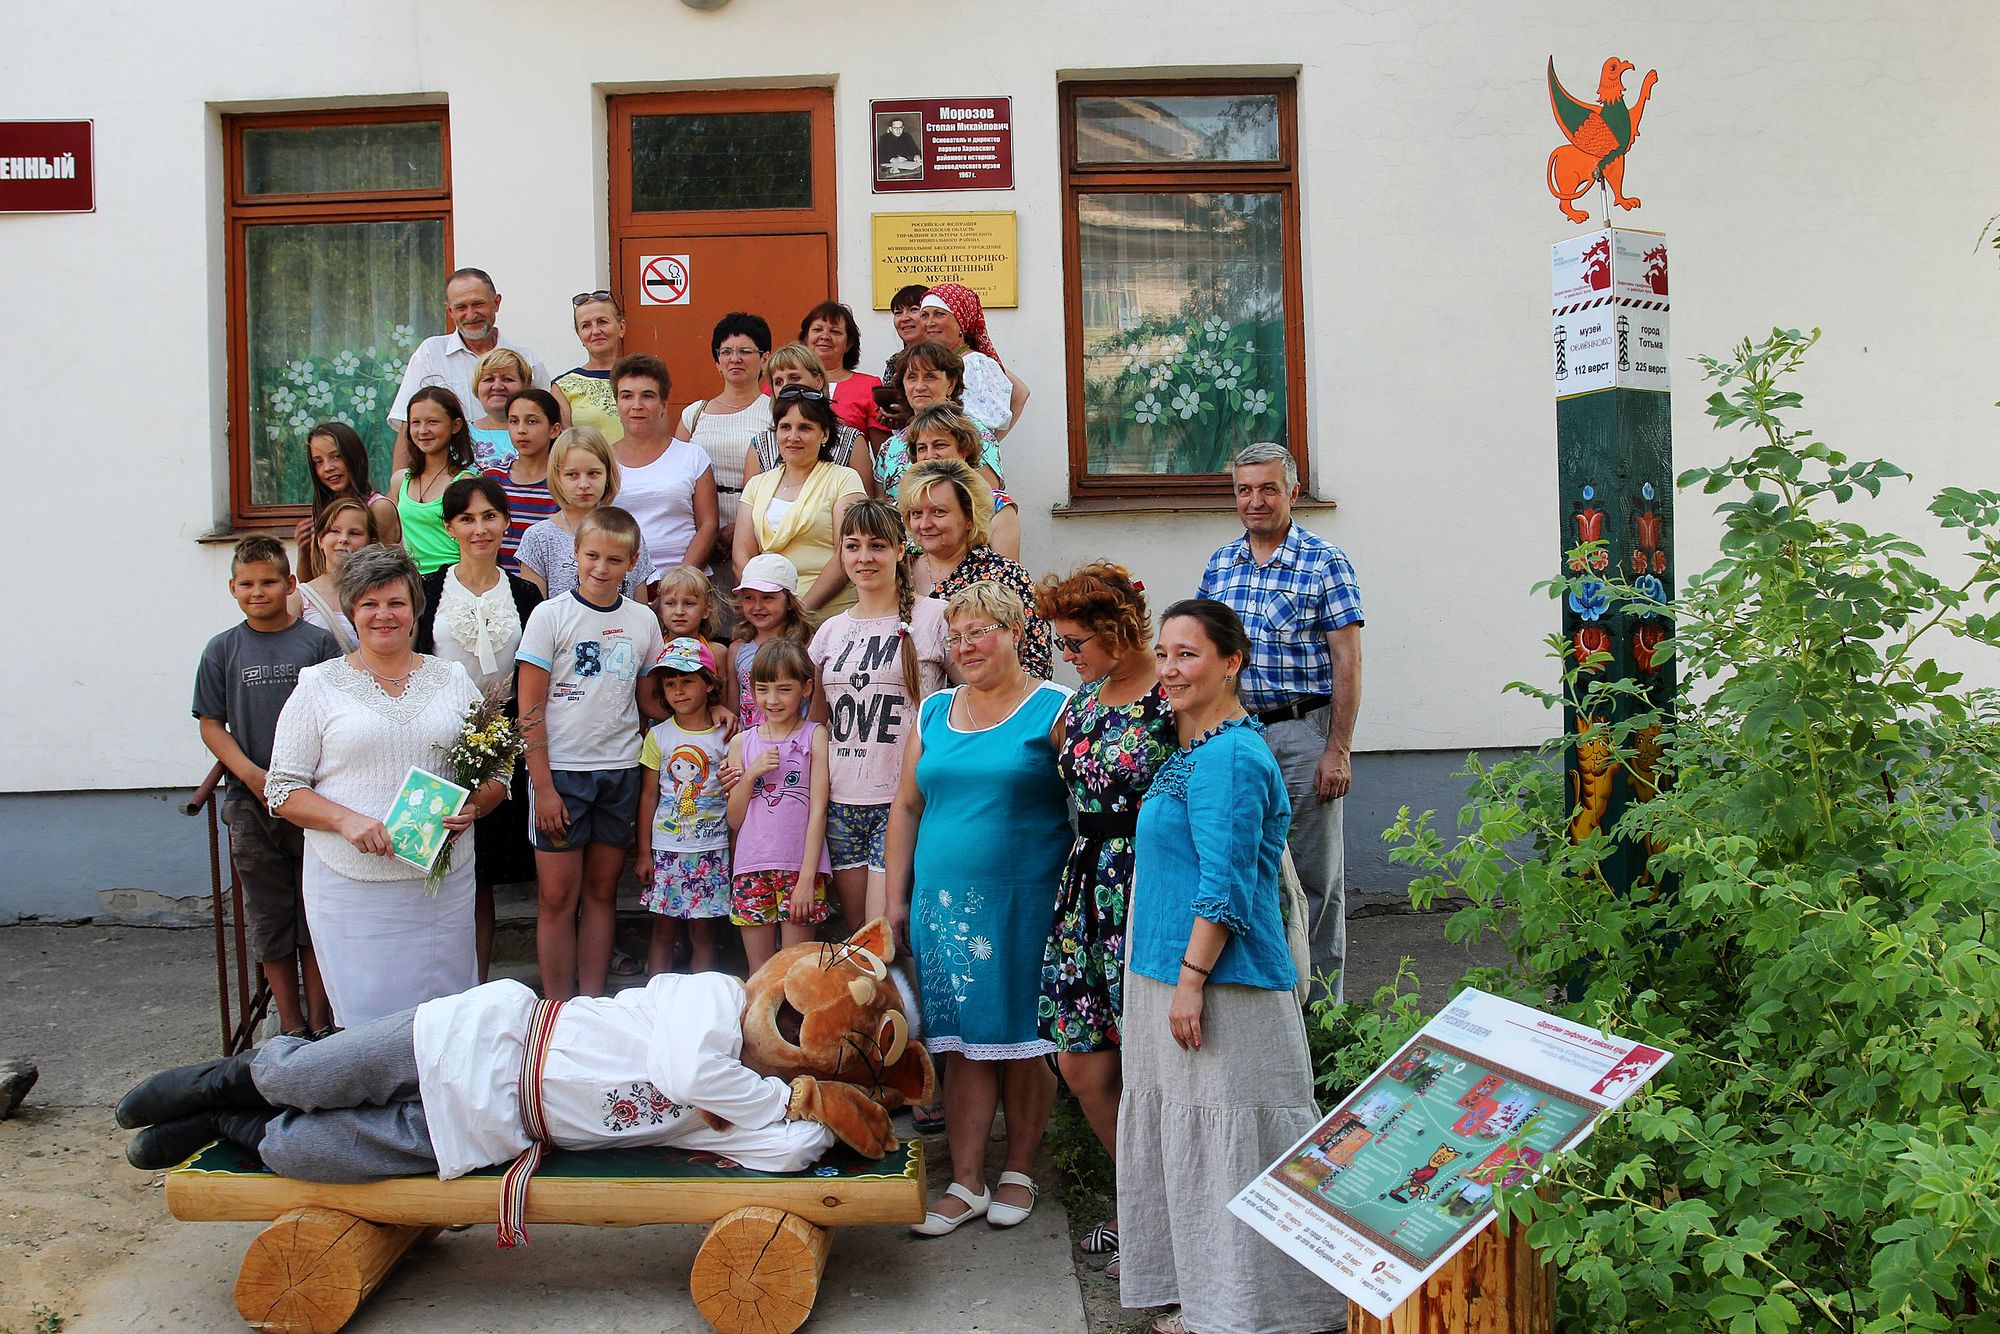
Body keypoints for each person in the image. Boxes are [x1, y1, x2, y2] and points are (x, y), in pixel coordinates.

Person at [1117, 599, 1344, 1334]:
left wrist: (1190, 982)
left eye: (1188, 654)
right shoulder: (1199, 748)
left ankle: (1258, 1309)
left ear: (1231, 663)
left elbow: (1226, 884)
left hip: (1223, 985)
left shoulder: (1236, 758)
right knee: (1194, 1145)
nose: (1169, 668)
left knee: (1234, 1146)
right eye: (1163, 653)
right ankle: (1212, 1299)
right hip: (1169, 974)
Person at [887, 581, 1070, 1237]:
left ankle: (1019, 1168)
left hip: (1025, 903)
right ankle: (965, 1181)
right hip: (941, 907)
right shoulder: (934, 710)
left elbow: (1093, 801)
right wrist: (894, 897)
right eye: (956, 637)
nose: (965, 647)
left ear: (1016, 632)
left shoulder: (1056, 708)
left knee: (1022, 1037)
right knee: (961, 1041)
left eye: (979, 633)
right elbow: (906, 806)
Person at [264, 545, 498, 1030]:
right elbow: (283, 788)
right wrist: (345, 820)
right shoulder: (318, 685)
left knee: (445, 1018)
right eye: (369, 604)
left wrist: (475, 806)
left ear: (415, 610)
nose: (383, 615)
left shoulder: (452, 678)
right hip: (352, 885)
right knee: (369, 1023)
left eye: (396, 602)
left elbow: (499, 771)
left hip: (442, 886)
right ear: (352, 611)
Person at [1033, 562, 1177, 1273]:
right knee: (1082, 1063)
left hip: (1149, 886)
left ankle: (1169, 1219)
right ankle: (1143, 1201)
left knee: (1156, 1063)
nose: (1066, 655)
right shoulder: (1085, 697)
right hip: (1087, 885)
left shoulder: (1173, 697)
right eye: (1059, 643)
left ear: (1119, 629)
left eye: (1075, 642)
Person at [1196, 441, 1365, 1003]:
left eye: (1268, 488)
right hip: (1237, 735)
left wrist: (1338, 749)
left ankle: (1322, 1014)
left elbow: (1347, 660)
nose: (1256, 501)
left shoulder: (1325, 562)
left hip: (1303, 732)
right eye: (1244, 490)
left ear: (1292, 491)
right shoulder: (1220, 565)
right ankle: (1267, 1003)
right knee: (1243, 866)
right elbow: (1202, 655)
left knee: (1316, 879)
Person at [516, 506, 667, 1001]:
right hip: (562, 774)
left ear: (632, 563)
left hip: (620, 771)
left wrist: (709, 714)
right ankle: (558, 1009)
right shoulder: (549, 615)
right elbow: (529, 708)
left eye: (614, 559)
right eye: (592, 556)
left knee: (602, 893)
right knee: (557, 898)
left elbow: (649, 701)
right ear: (576, 555)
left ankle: (593, 1004)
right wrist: (543, 787)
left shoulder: (643, 620)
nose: (601, 568)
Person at [195, 536, 342, 1039]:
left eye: (269, 582)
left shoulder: (317, 645)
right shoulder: (222, 650)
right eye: (247, 584)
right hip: (250, 803)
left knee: (314, 912)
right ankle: (291, 1024)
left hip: (314, 800)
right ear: (232, 589)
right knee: (269, 917)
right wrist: (252, 775)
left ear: (290, 584)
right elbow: (211, 724)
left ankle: (322, 1020)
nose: (258, 592)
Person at [414, 477, 544, 983]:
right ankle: (438, 984)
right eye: (466, 519)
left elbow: (533, 672)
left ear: (506, 522)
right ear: (449, 527)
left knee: (483, 872)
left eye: (489, 516)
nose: (479, 528)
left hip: (505, 741)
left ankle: (480, 983)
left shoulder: (525, 594)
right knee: (440, 865)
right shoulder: (427, 591)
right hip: (437, 738)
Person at [809, 500, 950, 932]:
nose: (864, 557)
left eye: (877, 546)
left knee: (883, 935)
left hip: (901, 800)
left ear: (900, 550)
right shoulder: (829, 631)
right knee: (858, 940)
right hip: (841, 803)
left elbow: (966, 701)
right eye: (852, 546)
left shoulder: (935, 617)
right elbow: (815, 723)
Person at [725, 640, 832, 973]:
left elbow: (818, 810)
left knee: (795, 970)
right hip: (751, 867)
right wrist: (750, 774)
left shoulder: (814, 736)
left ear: (806, 688)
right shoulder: (742, 743)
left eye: (784, 689)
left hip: (800, 869)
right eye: (763, 689)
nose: (772, 700)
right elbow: (734, 819)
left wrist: (807, 878)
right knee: (761, 972)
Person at [899, 458, 1053, 678]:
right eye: (916, 513)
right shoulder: (897, 572)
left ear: (969, 518)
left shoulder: (1004, 575)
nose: (924, 524)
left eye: (939, 512)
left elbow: (1036, 663)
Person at [636, 637, 733, 977]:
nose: (678, 691)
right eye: (670, 684)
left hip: (712, 849)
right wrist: (644, 853)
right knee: (663, 931)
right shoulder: (658, 736)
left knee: (703, 934)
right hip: (667, 850)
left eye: (687, 681)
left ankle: (702, 1000)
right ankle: (655, 999)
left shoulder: (726, 736)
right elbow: (649, 797)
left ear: (709, 684)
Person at [388, 268, 548, 473]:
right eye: (461, 307)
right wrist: (398, 487)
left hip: (520, 480)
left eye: (478, 304)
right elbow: (408, 424)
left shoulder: (526, 359)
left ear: (496, 303)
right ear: (449, 311)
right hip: (450, 480)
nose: (471, 315)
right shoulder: (430, 354)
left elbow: (548, 420)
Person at [734, 389, 867, 615]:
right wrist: (765, 607)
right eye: (785, 427)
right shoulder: (756, 484)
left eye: (804, 428)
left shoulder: (844, 479)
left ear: (824, 434)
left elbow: (846, 553)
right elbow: (741, 556)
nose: (793, 437)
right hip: (767, 615)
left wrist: (800, 613)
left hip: (827, 614)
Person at [611, 354, 720, 583]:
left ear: (663, 405)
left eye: (647, 396)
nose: (637, 405)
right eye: (627, 396)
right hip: (619, 585)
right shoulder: (602, 461)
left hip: (685, 587)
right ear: (617, 404)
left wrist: (679, 582)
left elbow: (708, 525)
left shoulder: (693, 456)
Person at [516, 427, 656, 603]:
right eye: (572, 475)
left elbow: (640, 608)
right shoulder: (539, 538)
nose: (583, 484)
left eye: (593, 473)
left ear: (607, 474)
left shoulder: (627, 532)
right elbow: (534, 612)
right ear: (557, 477)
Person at [675, 313, 773, 552]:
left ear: (765, 358)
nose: (735, 359)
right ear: (717, 362)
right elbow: (677, 477)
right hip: (697, 533)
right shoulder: (694, 414)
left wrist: (742, 527)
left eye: (745, 351)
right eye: (726, 352)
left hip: (761, 532)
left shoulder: (776, 412)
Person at [874, 342, 1005, 499]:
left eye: (930, 377)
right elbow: (881, 508)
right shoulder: (889, 447)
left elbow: (988, 502)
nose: (919, 386)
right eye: (911, 377)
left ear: (951, 384)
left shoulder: (978, 435)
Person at [743, 343, 874, 492]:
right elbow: (751, 501)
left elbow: (864, 502)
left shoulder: (851, 440)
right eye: (778, 382)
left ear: (818, 381)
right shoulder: (760, 444)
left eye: (794, 377)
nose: (785, 386)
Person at [907, 403, 1019, 560]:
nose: (930, 455)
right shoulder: (906, 506)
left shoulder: (996, 506)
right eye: (922, 448)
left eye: (940, 445)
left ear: (964, 450)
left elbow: (1008, 571)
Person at [917, 284, 1028, 439]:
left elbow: (1020, 394)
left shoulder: (975, 364)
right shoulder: (930, 362)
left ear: (961, 321)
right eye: (924, 315)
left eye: (939, 314)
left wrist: (993, 442)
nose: (929, 323)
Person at [292, 422, 399, 581]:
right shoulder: (326, 512)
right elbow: (310, 583)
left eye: (336, 456)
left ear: (356, 457)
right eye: (318, 461)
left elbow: (383, 577)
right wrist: (304, 550)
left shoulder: (379, 508)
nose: (328, 468)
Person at [391, 387, 480, 575]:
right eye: (416, 422)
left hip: (453, 580)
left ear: (455, 426)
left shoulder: (464, 482)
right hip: (412, 582)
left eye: (432, 422)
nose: (423, 430)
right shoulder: (400, 480)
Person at [730, 553, 814, 729]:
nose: (758, 606)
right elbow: (733, 708)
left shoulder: (808, 644)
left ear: (789, 601)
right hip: (752, 741)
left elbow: (817, 701)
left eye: (768, 597)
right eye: (749, 597)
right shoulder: (737, 649)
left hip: (797, 740)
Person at [488, 387, 560, 574]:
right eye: (513, 421)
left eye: (532, 421)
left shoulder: (563, 483)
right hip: (501, 584)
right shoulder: (493, 479)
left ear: (554, 430)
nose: (521, 430)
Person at [291, 498, 374, 650]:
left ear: (370, 542)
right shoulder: (298, 598)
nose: (344, 539)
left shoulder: (382, 594)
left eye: (355, 533)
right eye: (334, 531)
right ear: (320, 540)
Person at [798, 301, 886, 444]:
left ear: (848, 344)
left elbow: (883, 452)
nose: (825, 336)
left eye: (835, 332)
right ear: (805, 339)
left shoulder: (869, 386)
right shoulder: (782, 381)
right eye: (817, 329)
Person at [653, 564, 733, 711]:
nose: (679, 611)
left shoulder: (718, 653)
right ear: (660, 609)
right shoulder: (654, 650)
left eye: (689, 603)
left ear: (706, 609)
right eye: (670, 603)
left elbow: (721, 705)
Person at [554, 290, 627, 443]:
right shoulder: (563, 387)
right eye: (586, 325)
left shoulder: (642, 378)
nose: (595, 331)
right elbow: (565, 445)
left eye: (602, 322)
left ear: (621, 328)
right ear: (579, 335)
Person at [875, 284, 931, 436]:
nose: (905, 318)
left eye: (913, 309)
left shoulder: (948, 359)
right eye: (898, 313)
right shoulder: (894, 362)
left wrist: (913, 417)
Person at [466, 347, 534, 471]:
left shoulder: (540, 432)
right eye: (489, 379)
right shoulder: (461, 435)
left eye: (507, 379)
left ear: (525, 386)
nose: (497, 386)